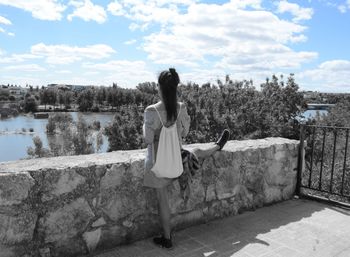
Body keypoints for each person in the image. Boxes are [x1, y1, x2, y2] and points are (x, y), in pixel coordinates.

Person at [143, 68, 230, 249]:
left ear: (159, 87)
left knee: (162, 200)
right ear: (175, 88)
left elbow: (148, 140)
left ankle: (167, 238)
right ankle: (217, 146)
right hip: (176, 162)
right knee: (196, 152)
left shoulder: (151, 111)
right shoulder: (181, 108)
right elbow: (184, 132)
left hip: (157, 165)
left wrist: (147, 128)